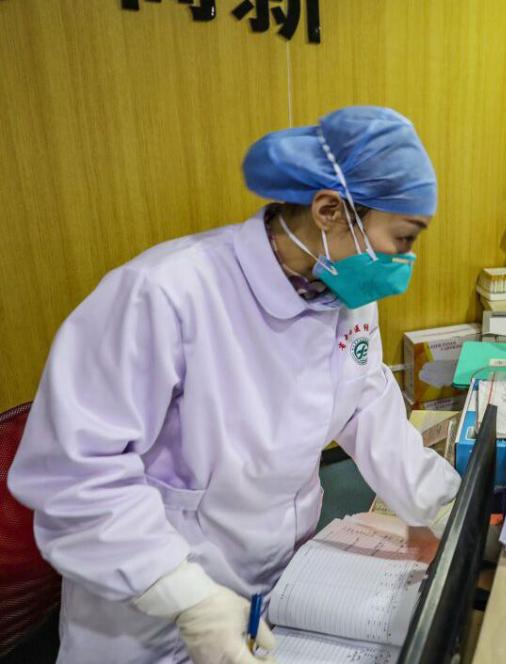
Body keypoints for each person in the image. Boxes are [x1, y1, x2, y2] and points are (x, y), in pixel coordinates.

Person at [8, 106, 462, 663]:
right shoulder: (164, 294)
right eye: (402, 238)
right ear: (329, 211)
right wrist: (188, 598)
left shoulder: (343, 295)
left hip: (271, 588)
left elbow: (367, 407)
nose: (405, 260)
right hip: (149, 605)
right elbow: (72, 475)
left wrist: (438, 508)